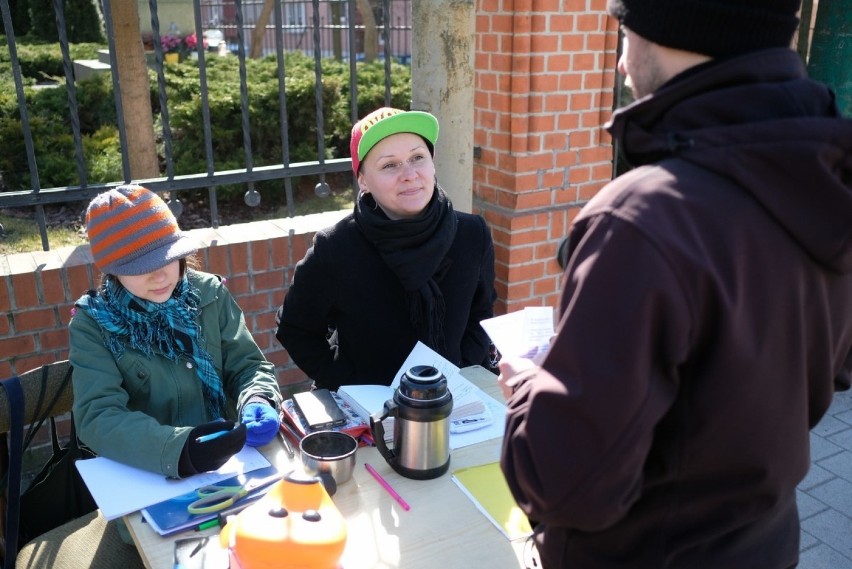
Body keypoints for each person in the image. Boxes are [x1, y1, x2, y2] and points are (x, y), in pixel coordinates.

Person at [498, 1, 852, 568]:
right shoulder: (824, 175)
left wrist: (526, 389)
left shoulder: (644, 217)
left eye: (623, 31)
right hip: (764, 545)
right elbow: (831, 366)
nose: (619, 64)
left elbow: (563, 484)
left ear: (671, 27)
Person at [70, 185, 283, 479]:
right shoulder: (92, 324)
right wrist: (178, 450)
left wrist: (258, 398)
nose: (159, 275)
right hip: (151, 476)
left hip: (233, 464)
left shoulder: (209, 294)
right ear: (111, 269)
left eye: (167, 257)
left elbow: (247, 365)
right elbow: (99, 417)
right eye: (139, 266)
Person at [276, 107, 496, 391]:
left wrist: (458, 369)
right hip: (371, 412)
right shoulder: (336, 247)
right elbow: (295, 328)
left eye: (418, 157)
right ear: (364, 180)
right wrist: (350, 384)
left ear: (432, 164)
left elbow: (481, 310)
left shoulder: (471, 233)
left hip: (450, 399)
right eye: (389, 165)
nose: (409, 174)